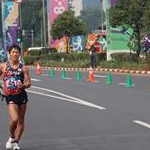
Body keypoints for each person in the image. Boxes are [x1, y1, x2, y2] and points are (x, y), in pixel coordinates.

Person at [0, 45, 31, 150]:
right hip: (10, 96)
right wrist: (1, 89)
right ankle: (12, 137)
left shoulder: (24, 68)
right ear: (9, 53)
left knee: (21, 121)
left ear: (19, 54)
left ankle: (16, 142)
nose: (15, 54)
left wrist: (23, 85)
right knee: (14, 119)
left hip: (22, 96)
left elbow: (28, 83)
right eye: (13, 52)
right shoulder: (3, 66)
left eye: (17, 52)